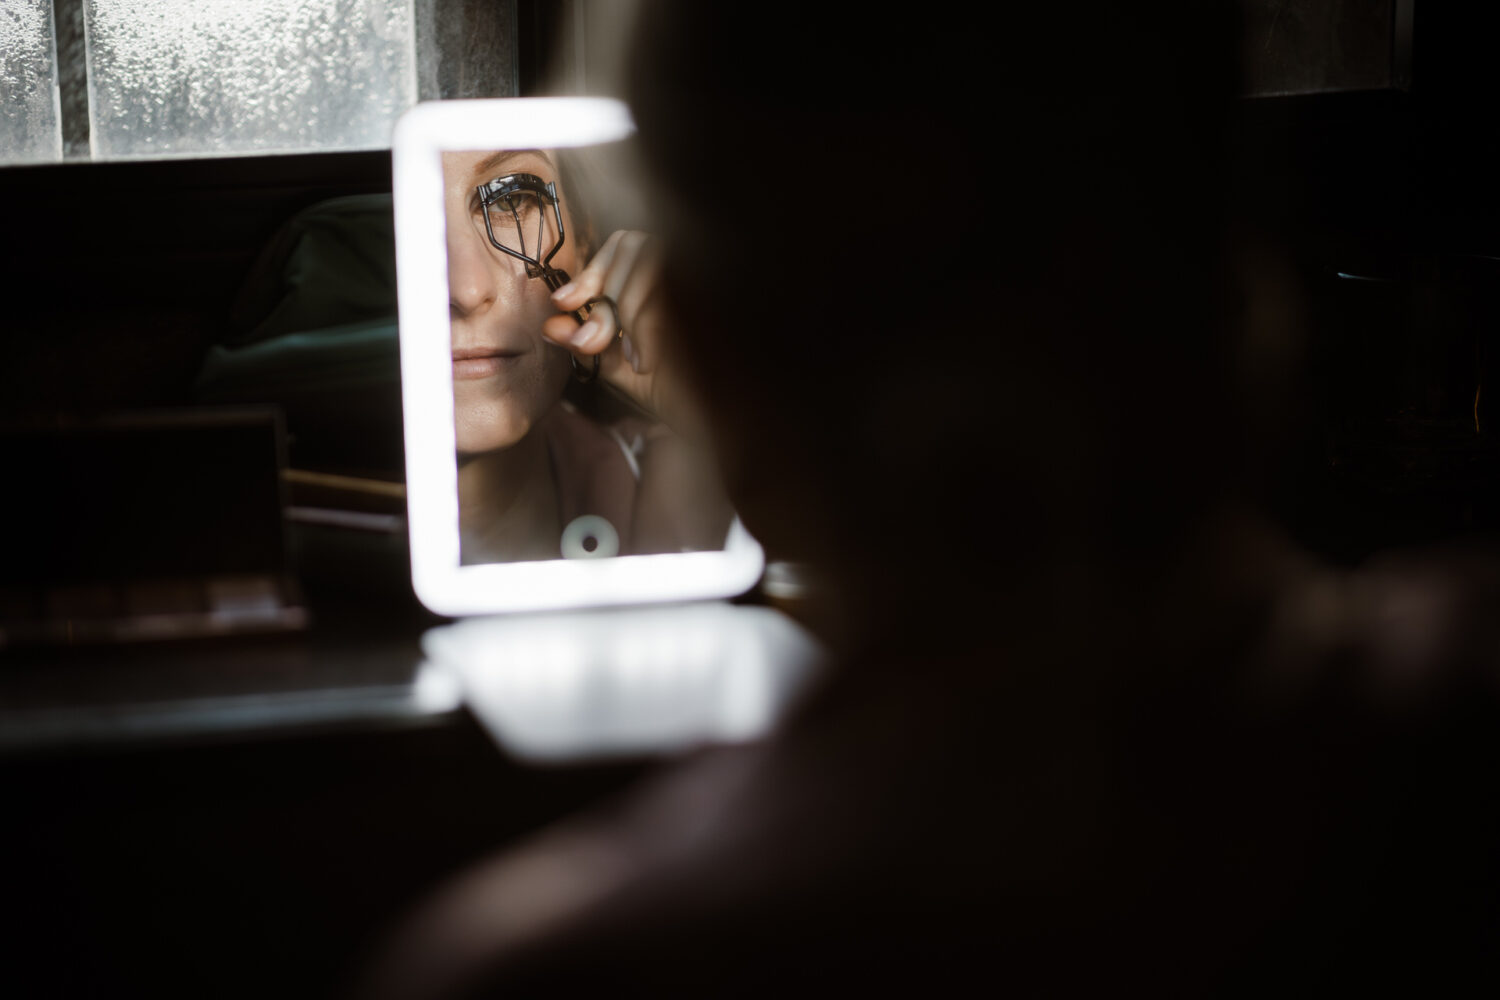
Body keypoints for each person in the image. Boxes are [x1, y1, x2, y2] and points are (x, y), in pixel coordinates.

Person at [365, 4, 1500, 995]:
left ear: (708, 350)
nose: (465, 288)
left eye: (512, 200)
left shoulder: (563, 971)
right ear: (1236, 261)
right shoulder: (1447, 738)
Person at [444, 146, 730, 563]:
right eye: (402, 208)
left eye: (513, 199)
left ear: (583, 246)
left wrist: (716, 408)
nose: (466, 291)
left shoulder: (687, 483)